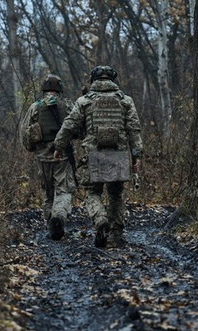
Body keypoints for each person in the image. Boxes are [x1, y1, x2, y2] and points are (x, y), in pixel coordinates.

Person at [53, 66, 143, 248]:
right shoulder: (125, 101)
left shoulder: (84, 101)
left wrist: (58, 146)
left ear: (93, 80)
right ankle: (115, 234)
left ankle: (100, 220)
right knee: (116, 194)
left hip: (93, 155)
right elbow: (134, 129)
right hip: (118, 154)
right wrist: (136, 155)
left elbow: (69, 125)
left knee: (92, 193)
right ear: (113, 80)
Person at [21, 74, 76, 240]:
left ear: (43, 88)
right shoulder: (67, 105)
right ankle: (58, 216)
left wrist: (31, 148)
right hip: (63, 154)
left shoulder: (35, 106)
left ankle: (51, 224)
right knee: (64, 189)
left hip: (42, 156)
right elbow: (76, 125)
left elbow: (25, 132)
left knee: (47, 193)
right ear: (60, 88)